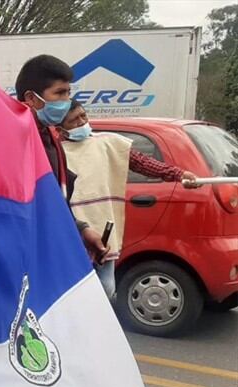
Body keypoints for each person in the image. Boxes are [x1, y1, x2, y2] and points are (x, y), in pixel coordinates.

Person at [58, 100, 199, 299]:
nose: (82, 122)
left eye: (83, 116)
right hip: (71, 231)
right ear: (59, 126)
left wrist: (177, 174)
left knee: (106, 288)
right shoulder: (55, 151)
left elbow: (141, 162)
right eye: (74, 120)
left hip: (102, 228)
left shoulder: (108, 143)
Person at [15, 55, 108, 263]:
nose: (66, 101)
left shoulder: (51, 137)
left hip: (47, 248)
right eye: (59, 93)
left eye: (68, 93)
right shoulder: (11, 140)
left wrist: (81, 230)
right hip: (23, 252)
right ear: (31, 98)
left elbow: (55, 201)